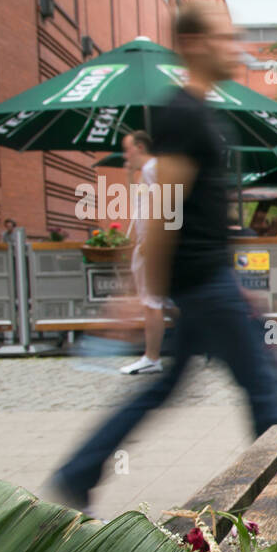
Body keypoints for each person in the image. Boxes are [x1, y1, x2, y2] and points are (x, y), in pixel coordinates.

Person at [49, 0, 277, 515]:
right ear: (192, 44)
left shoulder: (197, 113)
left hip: (208, 281)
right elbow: (165, 213)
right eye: (222, 38)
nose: (233, 48)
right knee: (268, 392)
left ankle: (76, 474)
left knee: (164, 388)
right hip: (204, 283)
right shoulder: (183, 116)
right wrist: (138, 295)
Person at [119, 130, 164, 375]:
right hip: (149, 244)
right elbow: (138, 205)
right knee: (161, 301)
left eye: (127, 149)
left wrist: (150, 241)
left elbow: (166, 204)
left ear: (139, 147)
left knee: (151, 302)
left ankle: (152, 357)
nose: (126, 155)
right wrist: (128, 175)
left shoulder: (152, 170)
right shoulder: (147, 173)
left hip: (151, 245)